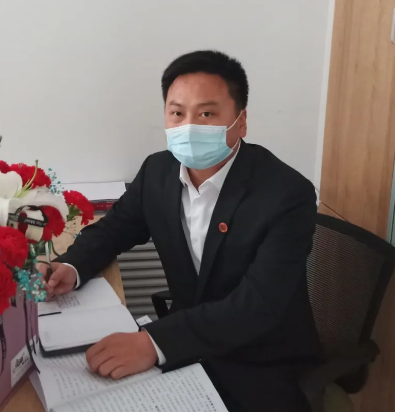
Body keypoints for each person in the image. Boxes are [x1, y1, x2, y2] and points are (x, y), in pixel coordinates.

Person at [43, 50, 323, 412]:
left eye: (206, 114)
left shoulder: (287, 195)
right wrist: (71, 266)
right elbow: (114, 229)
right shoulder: (158, 172)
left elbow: (258, 306)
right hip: (190, 346)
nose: (188, 127)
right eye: (177, 113)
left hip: (260, 361)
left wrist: (152, 343)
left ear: (241, 122)